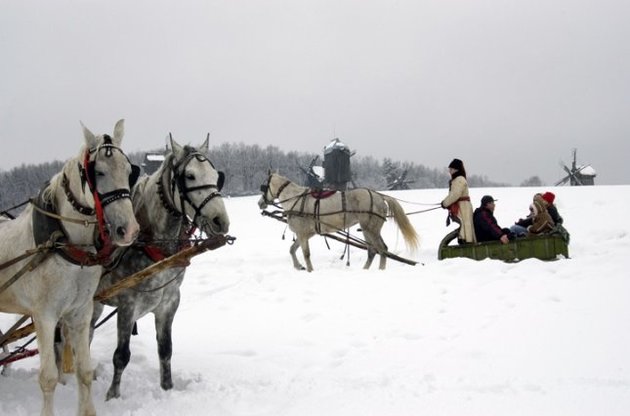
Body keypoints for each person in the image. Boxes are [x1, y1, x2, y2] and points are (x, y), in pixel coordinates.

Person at [441, 158, 476, 244]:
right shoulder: (458, 179)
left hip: (463, 207)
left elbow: (455, 195)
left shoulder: (459, 179)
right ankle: (465, 240)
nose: (450, 171)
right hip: (462, 206)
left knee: (464, 224)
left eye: (451, 169)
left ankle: (466, 241)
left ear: (456, 169)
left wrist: (445, 203)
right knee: (464, 224)